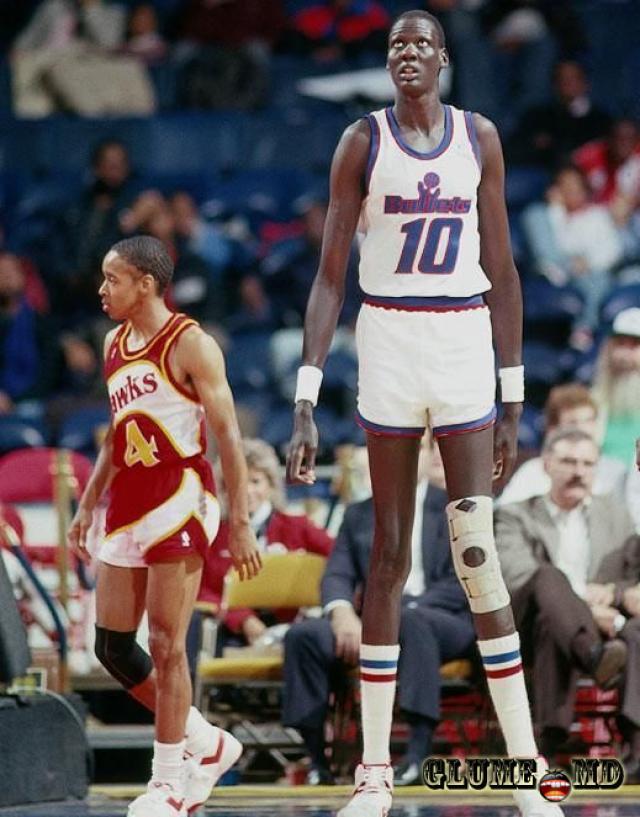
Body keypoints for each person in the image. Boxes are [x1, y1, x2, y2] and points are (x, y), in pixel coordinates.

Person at [286, 9, 562, 816]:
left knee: (475, 551)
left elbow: (502, 267)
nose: (408, 53)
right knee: (387, 556)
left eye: (421, 43)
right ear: (387, 61)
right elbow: (330, 278)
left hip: (462, 339)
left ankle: (526, 771)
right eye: (395, 44)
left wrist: (514, 396)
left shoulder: (480, 137)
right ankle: (374, 774)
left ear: (443, 58)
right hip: (389, 341)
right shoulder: (361, 142)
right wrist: (306, 397)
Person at [67, 235, 262, 817]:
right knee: (112, 647)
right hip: (128, 498)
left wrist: (241, 521)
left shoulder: (192, 343)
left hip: (180, 495)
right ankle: (208, 742)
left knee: (166, 646)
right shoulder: (113, 343)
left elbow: (229, 437)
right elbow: (117, 431)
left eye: (112, 279)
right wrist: (87, 504)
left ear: (146, 284)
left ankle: (168, 783)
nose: (102, 290)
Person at [282, 437, 475, 785]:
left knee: (413, 622)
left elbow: (461, 580)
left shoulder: (456, 508)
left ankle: (417, 754)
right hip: (375, 621)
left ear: (429, 455)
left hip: (443, 618)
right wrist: (342, 614)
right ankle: (317, 760)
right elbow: (337, 574)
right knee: (305, 636)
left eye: (414, 447)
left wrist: (394, 613)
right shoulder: (358, 514)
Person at [495, 428, 640, 779]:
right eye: (569, 462)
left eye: (588, 464)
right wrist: (585, 606)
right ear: (546, 465)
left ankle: (560, 740)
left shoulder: (616, 514)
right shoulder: (515, 515)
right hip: (525, 621)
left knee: (629, 630)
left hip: (593, 624)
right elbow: (516, 575)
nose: (579, 472)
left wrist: (613, 593)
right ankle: (594, 656)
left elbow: (630, 577)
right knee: (548, 578)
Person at [197, 437, 333, 649]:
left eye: (255, 481)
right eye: (237, 481)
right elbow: (202, 590)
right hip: (232, 630)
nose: (246, 491)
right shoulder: (213, 535)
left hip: (292, 630)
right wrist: (243, 620)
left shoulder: (298, 527)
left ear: (271, 485)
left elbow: (339, 559)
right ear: (224, 489)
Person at [497, 383, 627, 507]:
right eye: (573, 422)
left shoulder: (616, 471)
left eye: (589, 421)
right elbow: (505, 514)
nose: (583, 429)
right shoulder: (533, 472)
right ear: (552, 429)